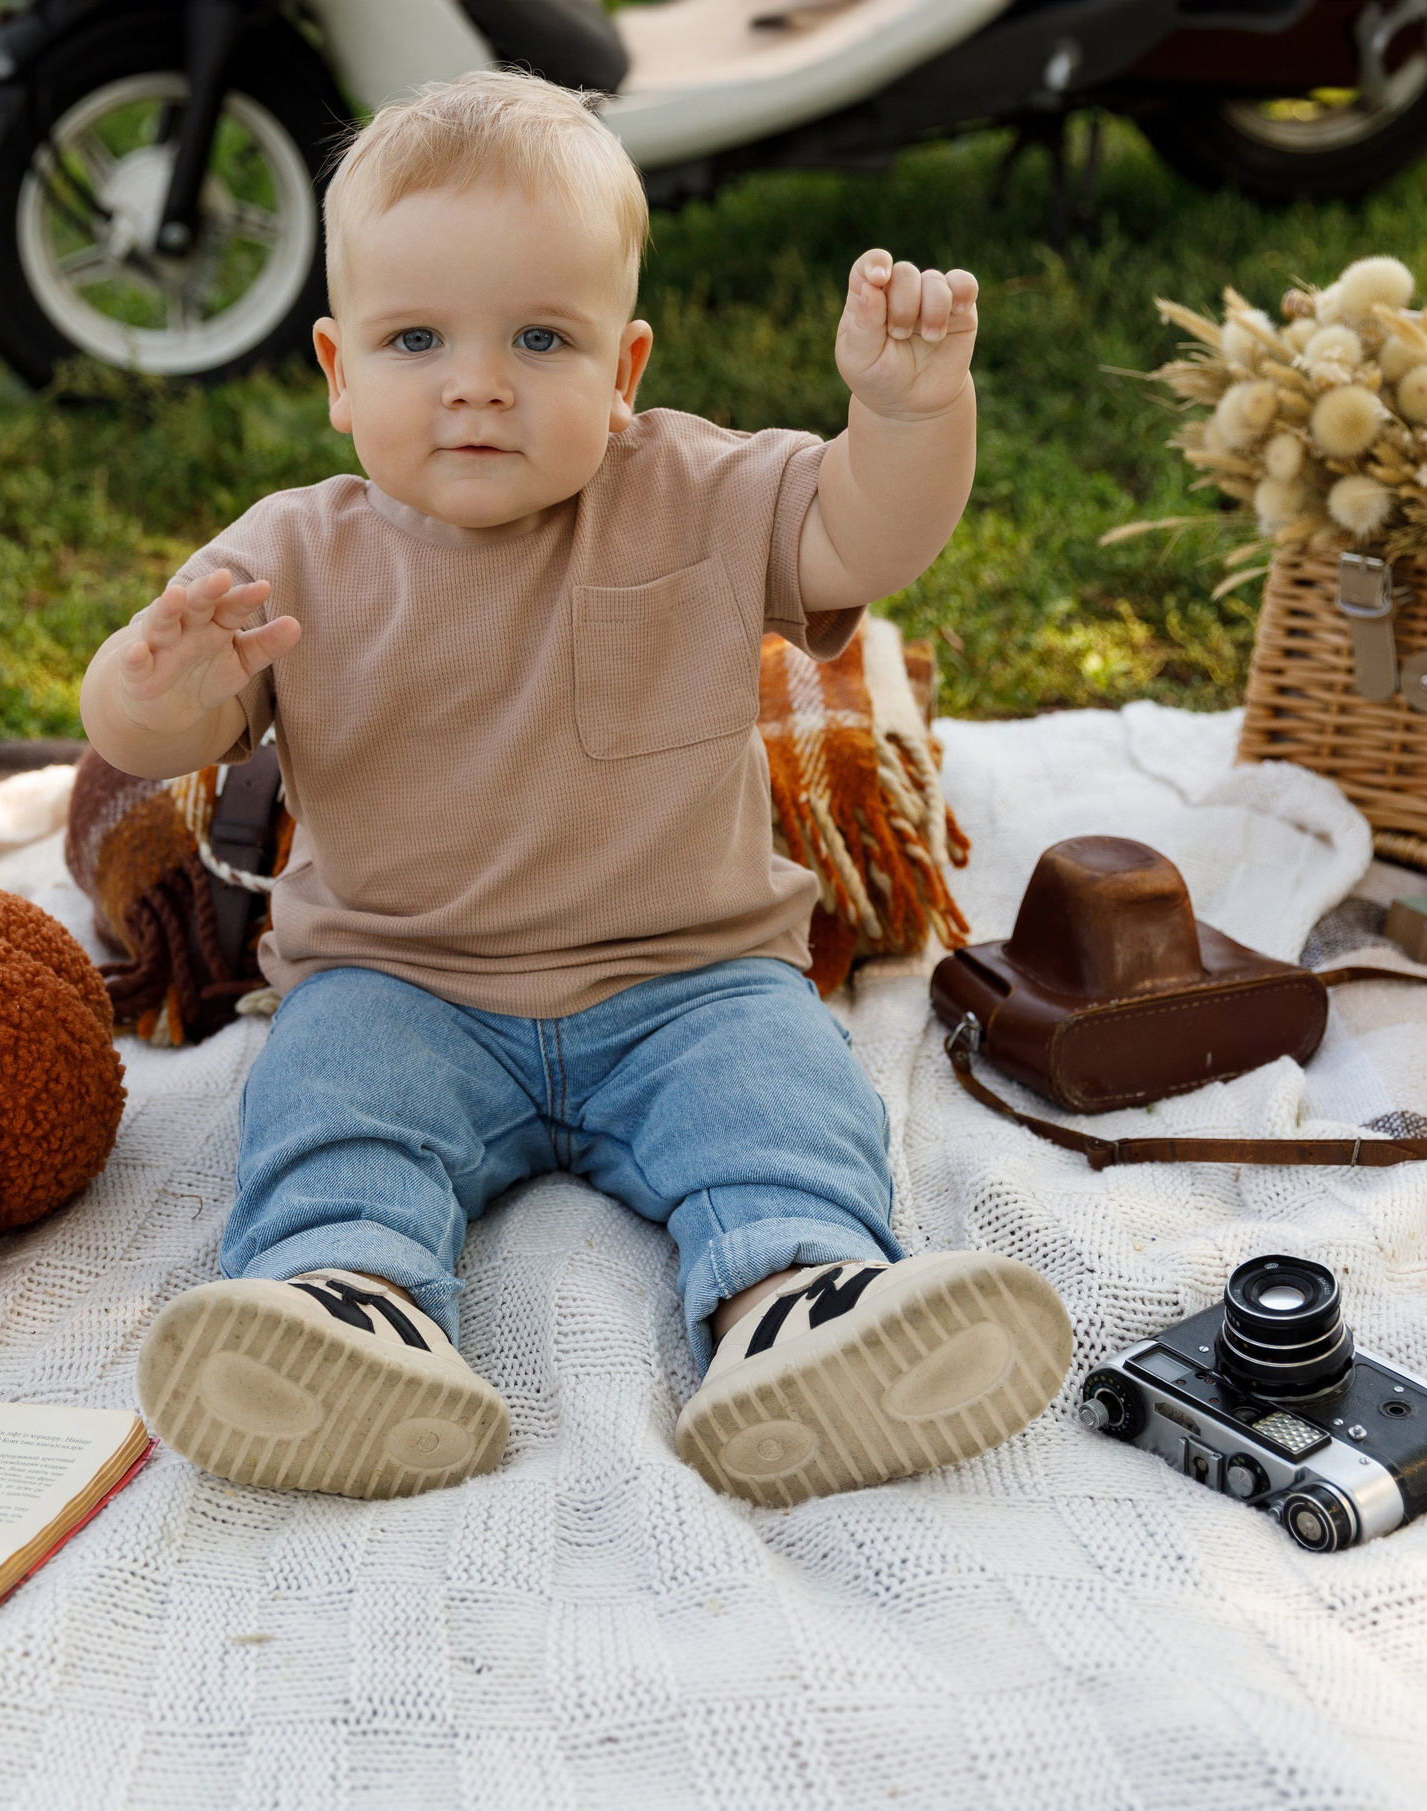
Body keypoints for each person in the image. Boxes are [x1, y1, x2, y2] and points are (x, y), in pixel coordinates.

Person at [82, 70, 1070, 1508]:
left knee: (786, 1102)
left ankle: (797, 1306)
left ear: (623, 373)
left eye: (540, 336)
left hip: (684, 977)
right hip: (400, 980)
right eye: (415, 338)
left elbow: (866, 540)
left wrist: (910, 414)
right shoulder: (292, 556)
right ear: (338, 371)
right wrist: (152, 693)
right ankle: (349, 1309)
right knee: (328, 1109)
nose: (476, 380)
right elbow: (153, 726)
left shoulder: (698, 494)